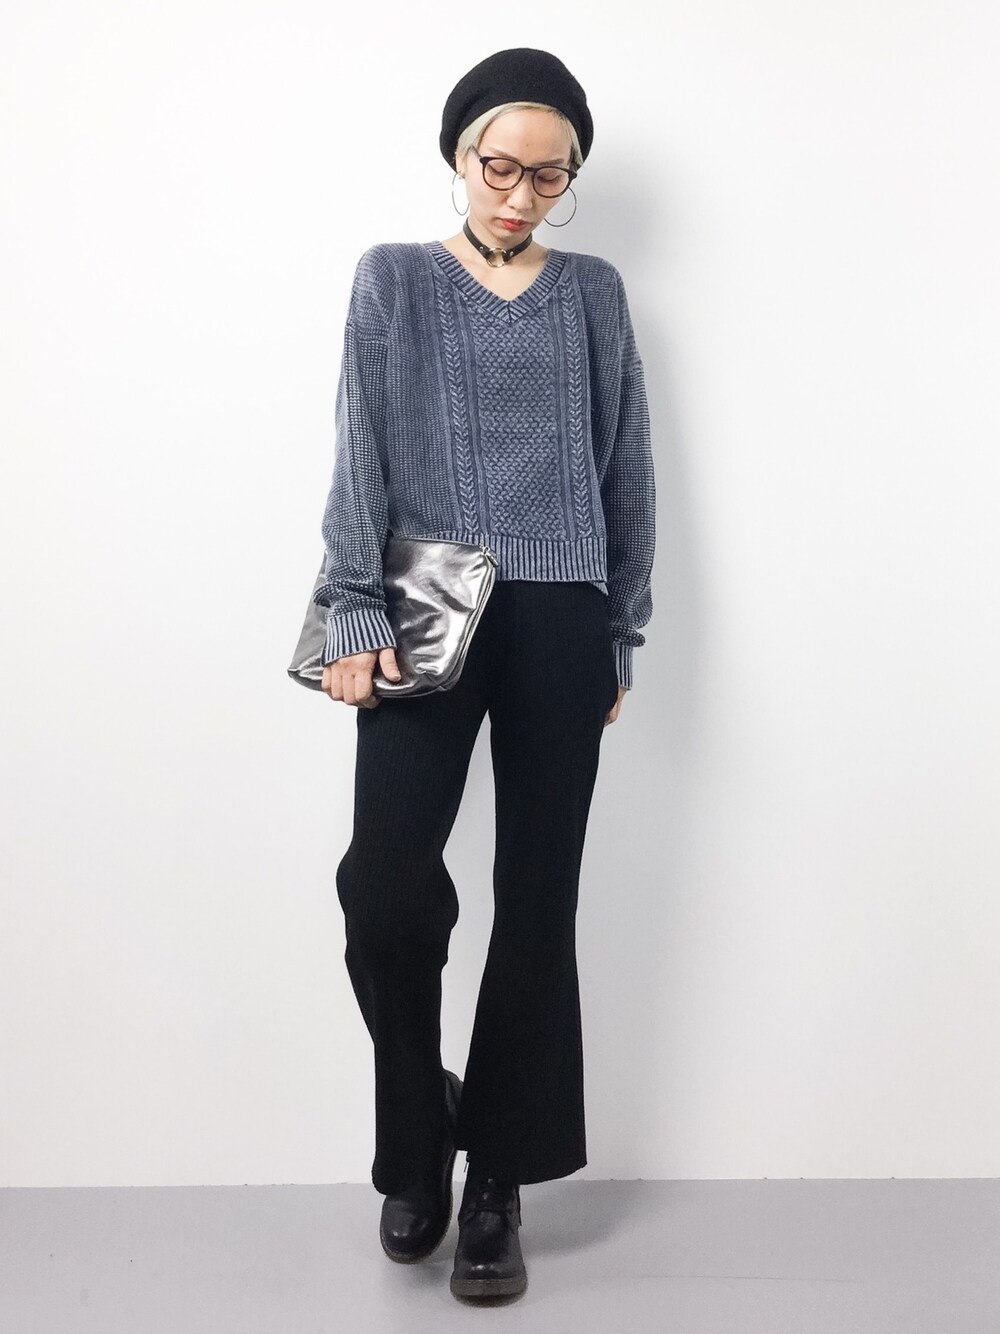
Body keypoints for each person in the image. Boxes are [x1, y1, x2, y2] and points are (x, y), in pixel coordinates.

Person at [313, 47, 656, 1302]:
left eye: (547, 176)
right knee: (384, 884)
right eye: (498, 166)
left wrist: (620, 626)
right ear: (458, 155)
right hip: (422, 603)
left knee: (537, 892)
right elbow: (358, 447)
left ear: (570, 177)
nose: (518, 196)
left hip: (562, 613)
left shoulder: (594, 293)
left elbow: (625, 463)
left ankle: (497, 1177)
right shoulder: (393, 280)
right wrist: (351, 605)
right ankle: (421, 1133)